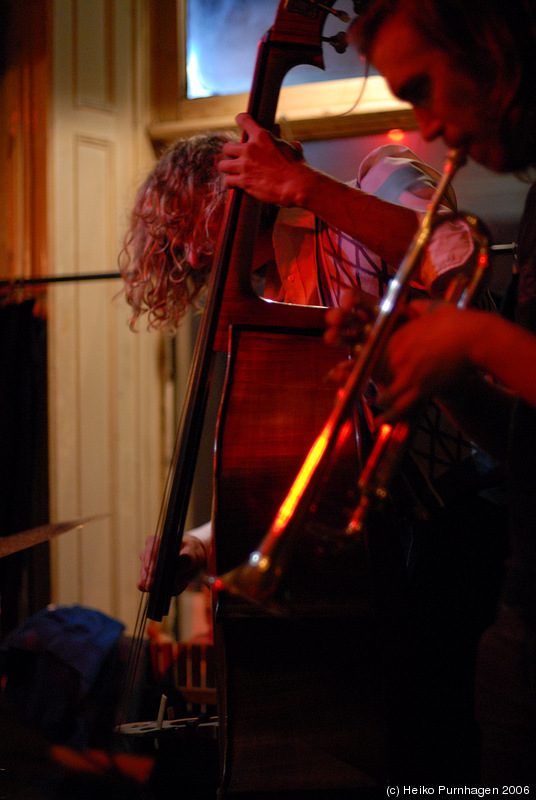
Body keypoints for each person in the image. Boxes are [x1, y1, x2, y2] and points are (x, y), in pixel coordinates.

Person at [320, 0, 536, 786]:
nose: (429, 126)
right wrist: (431, 371)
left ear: (489, 37)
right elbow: (518, 440)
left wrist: (475, 337)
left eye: (422, 87)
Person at [122, 130, 476, 595]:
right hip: (382, 557)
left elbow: (459, 257)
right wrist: (201, 544)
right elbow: (291, 475)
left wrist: (302, 184)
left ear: (232, 187)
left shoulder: (376, 178)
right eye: (179, 241)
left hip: (473, 509)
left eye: (193, 224)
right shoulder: (272, 302)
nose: (192, 256)